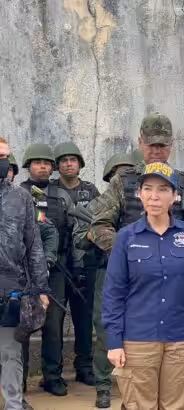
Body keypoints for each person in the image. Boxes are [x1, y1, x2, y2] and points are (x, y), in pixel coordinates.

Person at [102, 162, 184, 410]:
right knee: (139, 405)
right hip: (138, 341)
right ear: (139, 194)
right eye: (148, 188)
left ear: (175, 196)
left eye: (163, 189)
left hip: (182, 339)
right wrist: (113, 341)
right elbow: (113, 293)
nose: (155, 196)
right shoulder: (126, 237)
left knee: (176, 406)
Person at [88, 113, 184, 253]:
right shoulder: (121, 181)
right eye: (151, 145)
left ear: (171, 144)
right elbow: (99, 226)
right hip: (132, 265)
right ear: (140, 142)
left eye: (162, 145)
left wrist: (182, 251)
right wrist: (127, 248)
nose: (156, 151)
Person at [72, 152, 134, 408]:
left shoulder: (141, 203)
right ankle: (103, 386)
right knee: (106, 330)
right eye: (118, 172)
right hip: (107, 273)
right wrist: (94, 235)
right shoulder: (98, 204)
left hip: (138, 276)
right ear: (110, 178)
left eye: (127, 172)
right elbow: (78, 238)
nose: (122, 176)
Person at [19, 143, 77, 396]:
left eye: (46, 163)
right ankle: (18, 379)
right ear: (28, 166)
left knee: (53, 325)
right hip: (22, 272)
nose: (42, 166)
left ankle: (52, 376)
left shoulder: (61, 195)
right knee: (20, 325)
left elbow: (75, 227)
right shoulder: (17, 193)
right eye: (37, 162)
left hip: (56, 269)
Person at [0, 138, 50, 410]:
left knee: (10, 352)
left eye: (6, 156)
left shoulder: (21, 198)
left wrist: (41, 288)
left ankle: (13, 404)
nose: (3, 162)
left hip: (10, 288)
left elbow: (34, 247)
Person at [48, 141, 100, 387]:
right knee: (54, 321)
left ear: (80, 164)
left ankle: (84, 367)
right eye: (64, 160)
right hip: (57, 265)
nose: (69, 163)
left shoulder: (91, 191)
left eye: (73, 159)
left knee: (84, 319)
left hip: (85, 264)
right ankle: (52, 373)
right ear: (57, 165)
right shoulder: (48, 191)